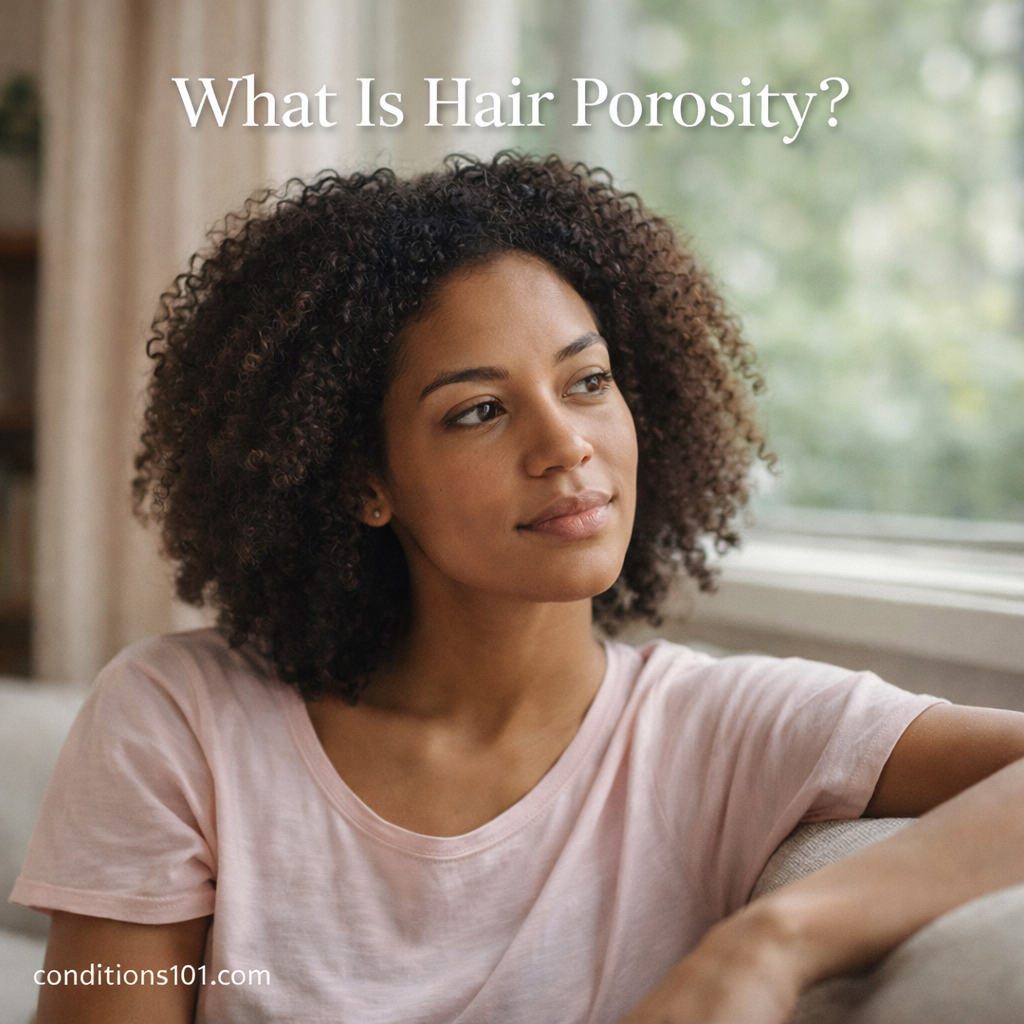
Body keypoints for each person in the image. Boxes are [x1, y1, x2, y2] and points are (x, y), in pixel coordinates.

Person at [12, 154, 1024, 1024]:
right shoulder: (178, 719)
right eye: (479, 410)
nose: (565, 444)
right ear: (362, 478)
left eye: (587, 382)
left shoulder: (728, 731)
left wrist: (777, 938)